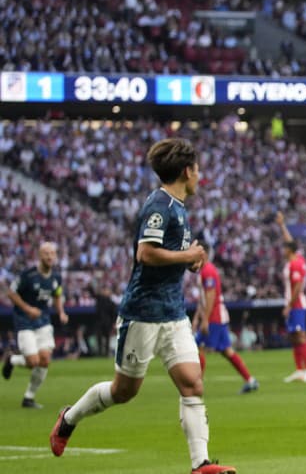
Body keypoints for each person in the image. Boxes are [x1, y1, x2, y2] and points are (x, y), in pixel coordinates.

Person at [49, 138, 236, 474]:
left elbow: (167, 257)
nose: (199, 176)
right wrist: (188, 256)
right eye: (196, 169)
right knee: (123, 391)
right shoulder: (159, 205)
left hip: (174, 314)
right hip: (143, 314)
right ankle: (69, 418)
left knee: (193, 382)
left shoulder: (179, 207)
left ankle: (201, 464)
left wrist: (188, 262)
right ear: (185, 171)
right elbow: (145, 253)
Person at [2, 241, 68, 409]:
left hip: (43, 321)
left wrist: (60, 312)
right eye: (46, 253)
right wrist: (27, 308)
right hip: (24, 321)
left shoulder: (56, 277)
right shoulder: (28, 275)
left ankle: (29, 398)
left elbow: (57, 294)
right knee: (32, 361)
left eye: (52, 254)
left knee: (44, 360)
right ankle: (12, 360)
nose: (49, 257)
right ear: (39, 256)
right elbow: (11, 292)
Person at [191, 240, 258, 394]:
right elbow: (204, 299)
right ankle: (250, 380)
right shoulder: (205, 270)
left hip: (214, 317)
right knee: (227, 351)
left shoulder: (208, 271)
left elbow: (210, 296)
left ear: (203, 253)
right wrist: (197, 318)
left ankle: (196, 386)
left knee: (197, 348)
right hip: (216, 317)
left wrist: (205, 320)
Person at [276, 212, 306, 383]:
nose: (282, 250)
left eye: (284, 248)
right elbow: (289, 240)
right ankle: (299, 369)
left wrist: (289, 305)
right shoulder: (294, 259)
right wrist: (282, 226)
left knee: (301, 335)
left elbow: (298, 287)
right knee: (293, 336)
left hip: (297, 304)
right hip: (292, 303)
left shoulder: (296, 263)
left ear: (289, 250)